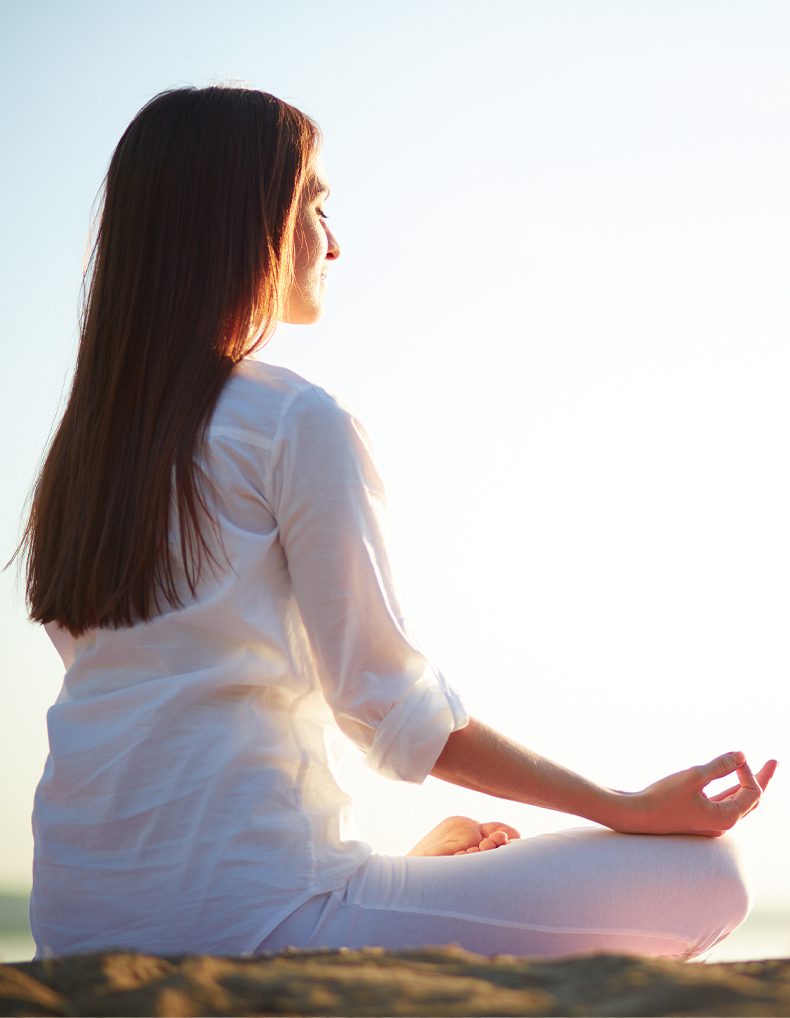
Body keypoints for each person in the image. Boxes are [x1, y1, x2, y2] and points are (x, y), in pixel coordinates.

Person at [16, 86, 776, 962]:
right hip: (257, 922)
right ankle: (362, 907)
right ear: (240, 220)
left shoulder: (80, 460)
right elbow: (389, 706)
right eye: (315, 205)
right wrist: (626, 806)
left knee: (377, 875)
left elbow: (162, 725)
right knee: (713, 878)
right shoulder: (293, 421)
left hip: (74, 931)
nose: (333, 240)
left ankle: (376, 898)